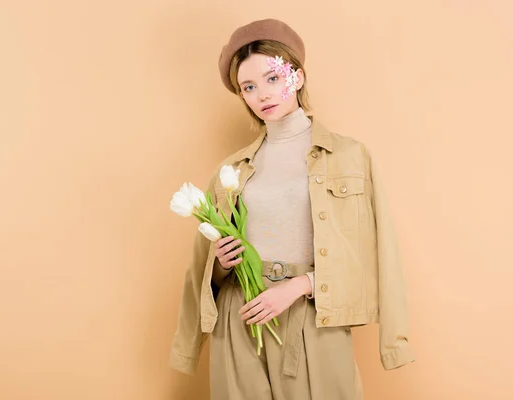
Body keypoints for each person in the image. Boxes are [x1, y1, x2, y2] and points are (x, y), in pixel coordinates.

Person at [169, 18, 414, 400]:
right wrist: (220, 262)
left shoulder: (350, 157)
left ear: (297, 76)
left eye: (271, 78)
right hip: (241, 317)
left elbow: (373, 254)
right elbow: (200, 274)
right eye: (248, 87)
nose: (261, 94)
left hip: (314, 316)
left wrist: (300, 286)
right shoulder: (231, 170)